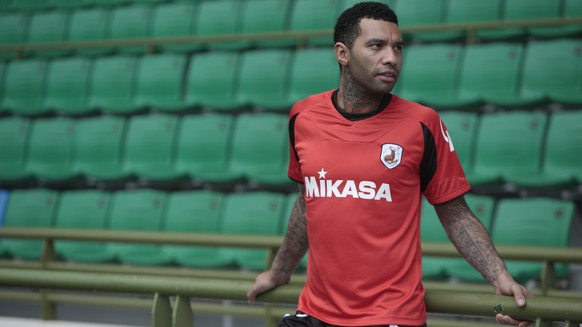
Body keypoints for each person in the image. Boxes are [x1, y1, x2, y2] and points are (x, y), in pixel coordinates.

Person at [247, 2, 530, 326]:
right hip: (315, 312)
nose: (392, 58)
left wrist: (499, 276)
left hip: (390, 317)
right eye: (376, 46)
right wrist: (279, 272)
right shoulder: (303, 117)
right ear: (342, 53)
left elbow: (455, 214)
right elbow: (306, 204)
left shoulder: (422, 123)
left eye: (398, 47)